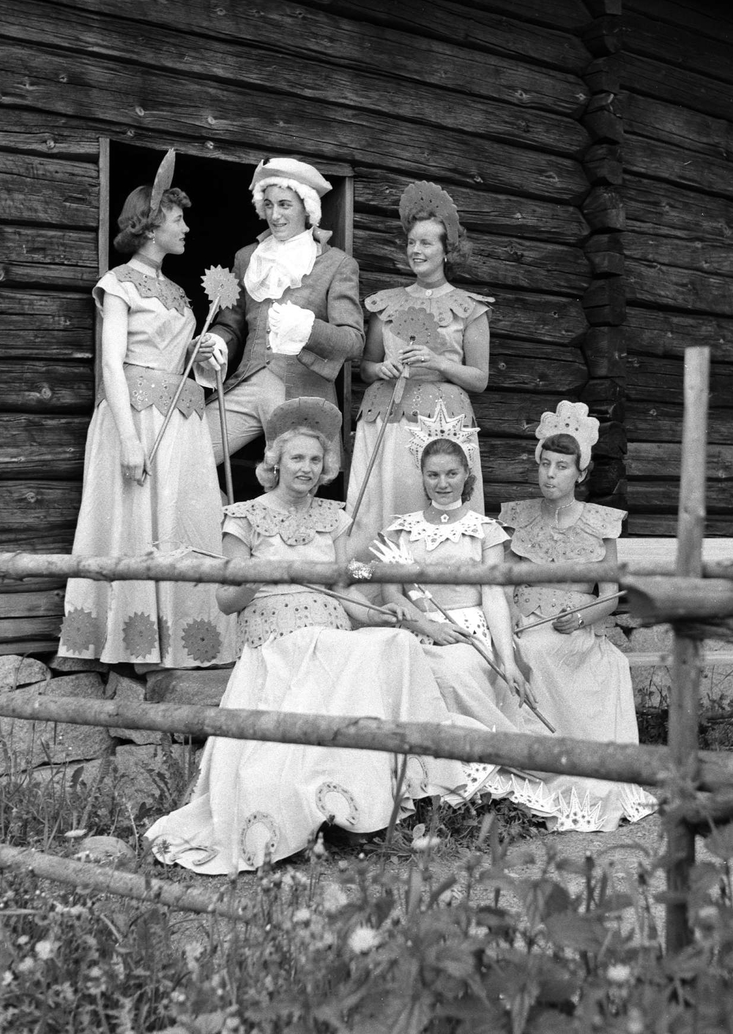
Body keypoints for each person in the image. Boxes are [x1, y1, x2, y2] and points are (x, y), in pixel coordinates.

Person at [145, 398, 471, 875]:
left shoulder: (333, 518)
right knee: (348, 651)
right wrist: (248, 581)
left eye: (315, 460)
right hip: (277, 642)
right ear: (275, 463)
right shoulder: (244, 517)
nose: (307, 468)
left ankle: (394, 796)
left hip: (330, 634)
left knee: (396, 645)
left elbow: (343, 590)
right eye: (296, 458)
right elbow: (225, 602)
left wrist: (393, 616)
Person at [375, 420, 628, 831]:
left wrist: (506, 654)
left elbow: (495, 594)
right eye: (434, 475)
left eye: (452, 474)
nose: (443, 483)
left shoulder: (484, 530)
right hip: (419, 630)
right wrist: (428, 626)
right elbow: (392, 593)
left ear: (467, 476)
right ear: (421, 477)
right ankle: (415, 783)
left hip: (470, 630)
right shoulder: (400, 529)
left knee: (457, 669)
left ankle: (493, 765)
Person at [58, 152, 237, 670]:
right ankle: (134, 645)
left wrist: (202, 357)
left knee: (184, 519)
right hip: (135, 417)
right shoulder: (118, 283)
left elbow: (179, 362)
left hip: (182, 421)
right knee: (137, 523)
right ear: (152, 224)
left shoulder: (181, 294)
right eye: (179, 219)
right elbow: (112, 364)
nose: (187, 228)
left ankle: (188, 641)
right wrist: (130, 440)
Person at [499, 401, 656, 829]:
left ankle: (584, 771)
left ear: (580, 474)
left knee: (585, 658)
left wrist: (585, 618)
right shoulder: (518, 518)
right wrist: (510, 614)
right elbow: (504, 582)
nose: (550, 474)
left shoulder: (600, 524)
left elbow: (609, 596)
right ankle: (540, 772)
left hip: (574, 627)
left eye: (562, 467)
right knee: (529, 650)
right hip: (524, 623)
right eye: (545, 464)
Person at [347, 181, 491, 561]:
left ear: (447, 251)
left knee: (425, 504)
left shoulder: (470, 308)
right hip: (385, 418)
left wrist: (439, 362)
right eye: (412, 242)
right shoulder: (385, 305)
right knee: (377, 508)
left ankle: (443, 593)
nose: (417, 250)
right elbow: (365, 367)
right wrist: (382, 367)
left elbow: (480, 378)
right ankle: (367, 588)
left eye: (427, 243)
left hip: (441, 425)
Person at [204, 158, 363, 467]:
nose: (274, 215)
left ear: (307, 208)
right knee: (188, 453)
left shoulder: (337, 264)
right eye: (268, 205)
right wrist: (216, 342)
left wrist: (309, 327)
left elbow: (353, 341)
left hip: (304, 393)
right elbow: (231, 324)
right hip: (248, 383)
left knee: (296, 481)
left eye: (285, 204)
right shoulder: (247, 257)